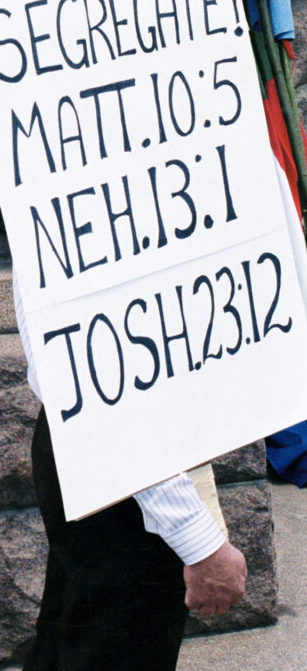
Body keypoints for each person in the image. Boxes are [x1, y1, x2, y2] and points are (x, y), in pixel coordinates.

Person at [13, 280, 248, 671]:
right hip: (123, 456)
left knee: (72, 637)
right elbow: (113, 384)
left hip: (81, 431)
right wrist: (197, 538)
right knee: (113, 645)